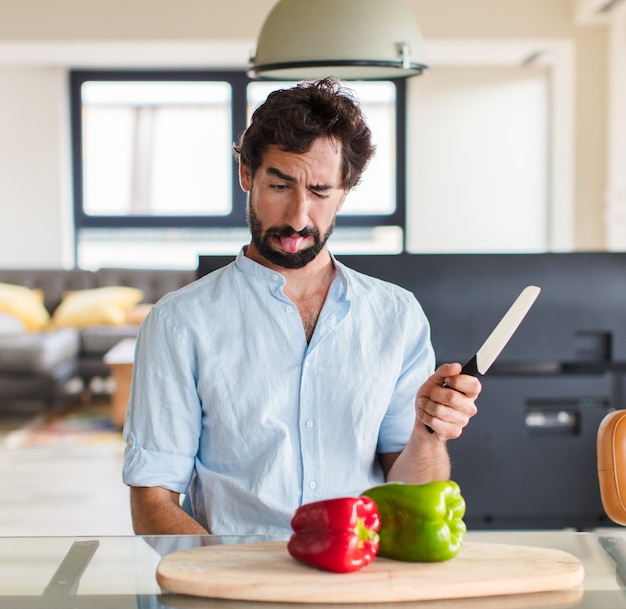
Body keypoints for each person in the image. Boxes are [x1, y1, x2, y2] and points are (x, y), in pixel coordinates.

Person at [122, 77, 480, 536]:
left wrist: (430, 433)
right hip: (233, 590)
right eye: (280, 186)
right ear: (246, 175)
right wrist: (232, 587)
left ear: (344, 192)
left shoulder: (397, 317)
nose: (297, 216)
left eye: (320, 191)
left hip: (359, 582)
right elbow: (152, 502)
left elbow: (411, 494)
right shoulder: (178, 323)